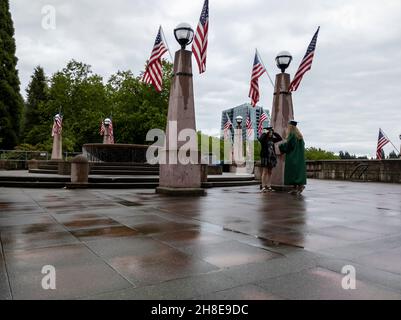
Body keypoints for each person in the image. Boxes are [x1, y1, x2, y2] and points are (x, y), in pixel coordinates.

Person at [279, 120, 307, 195]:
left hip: (292, 156)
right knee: (296, 172)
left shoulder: (292, 135)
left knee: (292, 172)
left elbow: (288, 145)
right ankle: (295, 188)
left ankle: (300, 186)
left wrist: (280, 146)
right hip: (299, 157)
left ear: (290, 127)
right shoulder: (300, 136)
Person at [258, 126, 282, 192]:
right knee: (264, 172)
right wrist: (265, 133)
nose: (271, 132)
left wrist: (274, 132)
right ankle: (263, 186)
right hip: (265, 157)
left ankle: (269, 186)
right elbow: (260, 139)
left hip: (271, 157)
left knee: (270, 172)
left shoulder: (272, 139)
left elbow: (280, 138)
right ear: (268, 132)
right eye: (270, 131)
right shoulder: (264, 139)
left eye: (271, 131)